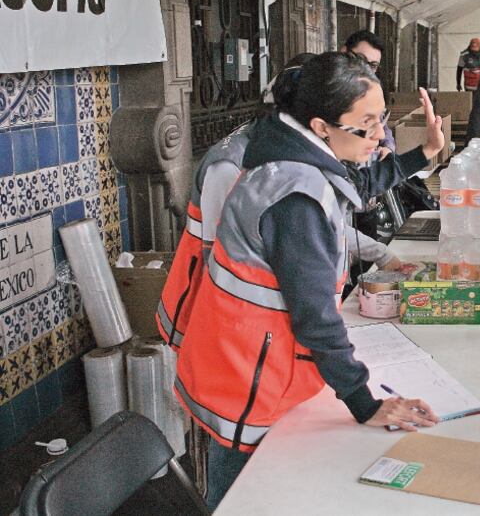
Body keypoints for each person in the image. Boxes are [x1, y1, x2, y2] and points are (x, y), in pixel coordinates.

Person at [175, 52, 444, 509]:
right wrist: (364, 402)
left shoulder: (290, 150)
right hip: (250, 378)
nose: (380, 137)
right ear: (322, 126)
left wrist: (424, 153)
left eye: (381, 119)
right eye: (367, 125)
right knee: (242, 498)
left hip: (253, 362)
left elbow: (355, 185)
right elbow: (315, 317)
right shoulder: (295, 197)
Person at [157, 53, 402, 351]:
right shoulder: (232, 165)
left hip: (263, 335)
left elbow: (320, 225)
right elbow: (219, 267)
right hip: (213, 325)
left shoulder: (294, 154)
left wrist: (381, 254)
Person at [342, 30, 395, 157]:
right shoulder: (329, 89)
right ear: (344, 51)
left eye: (373, 65)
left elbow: (383, 127)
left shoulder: (372, 91)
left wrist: (387, 147)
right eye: (360, 60)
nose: (365, 69)